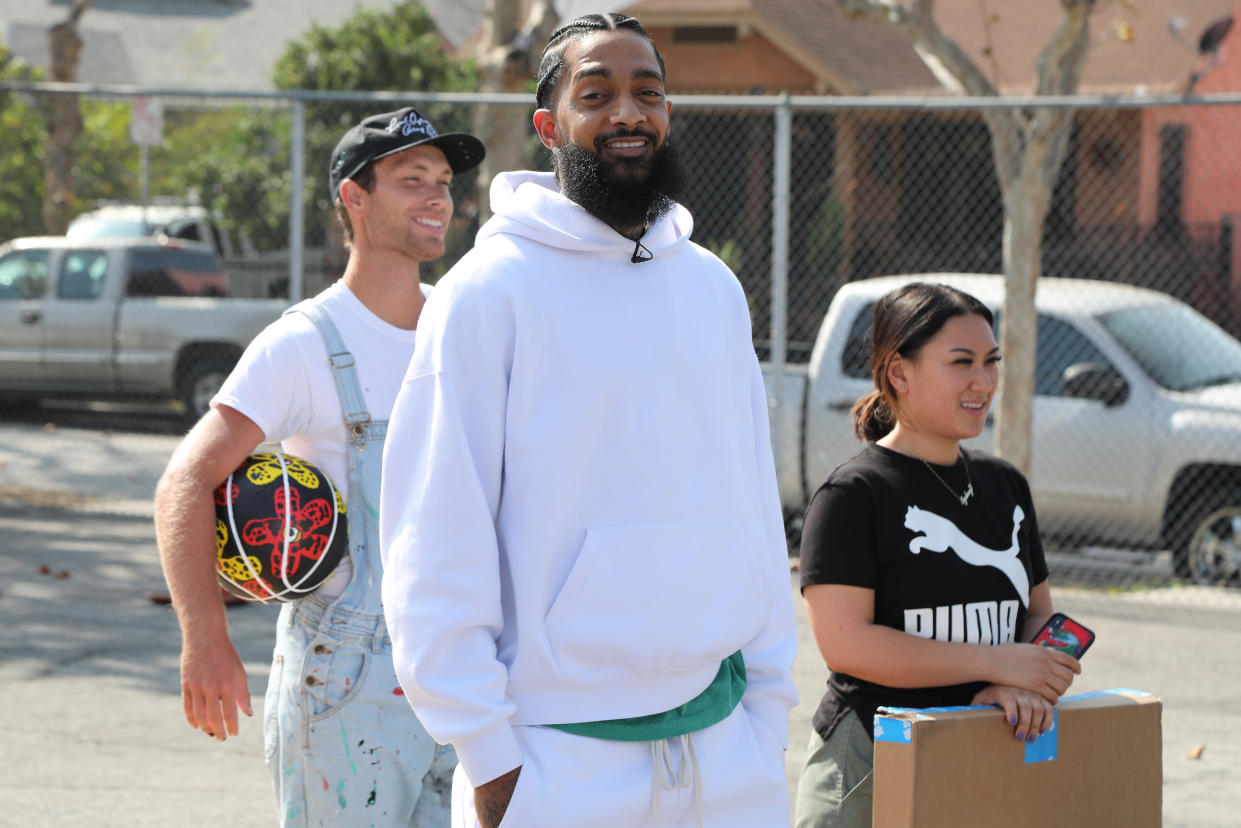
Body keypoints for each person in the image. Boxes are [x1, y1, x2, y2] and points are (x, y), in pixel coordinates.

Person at [378, 12, 798, 828]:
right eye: (596, 93)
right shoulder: (487, 291)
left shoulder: (711, 286)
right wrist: (488, 758)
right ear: (548, 125)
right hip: (556, 762)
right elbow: (435, 536)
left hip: (725, 753)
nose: (628, 114)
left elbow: (751, 500)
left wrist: (766, 715)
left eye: (648, 93)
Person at [153, 106, 485, 827]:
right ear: (354, 199)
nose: (437, 197)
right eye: (411, 180)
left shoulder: (460, 326)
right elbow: (184, 482)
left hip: (463, 668)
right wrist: (204, 640)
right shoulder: (304, 343)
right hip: (348, 682)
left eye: (442, 181)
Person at [793, 282, 1083, 828]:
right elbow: (846, 644)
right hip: (872, 762)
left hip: (984, 748)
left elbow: (1038, 614)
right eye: (961, 362)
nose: (983, 381)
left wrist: (1027, 680)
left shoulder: (1005, 485)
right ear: (899, 373)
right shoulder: (853, 495)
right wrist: (994, 665)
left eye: (991, 361)